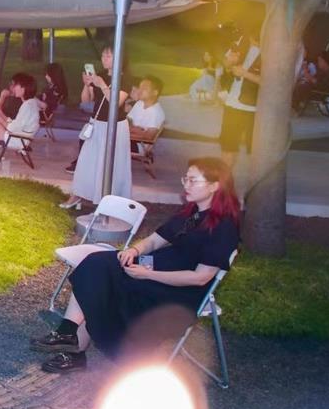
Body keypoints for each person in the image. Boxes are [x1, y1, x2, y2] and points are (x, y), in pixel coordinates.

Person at [34, 157, 240, 374]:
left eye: (193, 180)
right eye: (185, 179)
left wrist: (147, 274)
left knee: (104, 282)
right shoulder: (192, 213)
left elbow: (200, 278)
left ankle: (75, 351)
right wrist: (134, 251)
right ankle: (68, 333)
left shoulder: (224, 228)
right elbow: (155, 241)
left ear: (215, 186)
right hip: (155, 269)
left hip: (177, 291)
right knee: (96, 264)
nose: (186, 185)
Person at [60, 46, 131, 209]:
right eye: (103, 55)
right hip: (97, 123)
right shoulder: (100, 75)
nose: (104, 59)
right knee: (86, 161)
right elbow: (86, 100)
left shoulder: (126, 79)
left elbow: (116, 103)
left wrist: (102, 85)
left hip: (114, 127)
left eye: (108, 56)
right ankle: (77, 195)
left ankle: (106, 201)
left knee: (109, 165)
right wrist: (86, 85)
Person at [219, 31, 261, 168]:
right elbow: (225, 63)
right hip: (232, 104)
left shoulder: (271, 51)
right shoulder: (241, 42)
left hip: (253, 109)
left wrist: (245, 74)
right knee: (227, 146)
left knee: (254, 151)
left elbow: (272, 82)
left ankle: (256, 179)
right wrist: (230, 62)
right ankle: (224, 178)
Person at [127, 75, 167, 153]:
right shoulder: (139, 103)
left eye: (144, 88)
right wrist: (134, 129)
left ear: (155, 92)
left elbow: (149, 136)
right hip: (130, 140)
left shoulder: (156, 112)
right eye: (140, 87)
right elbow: (128, 119)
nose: (139, 91)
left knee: (110, 140)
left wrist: (127, 133)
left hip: (139, 146)